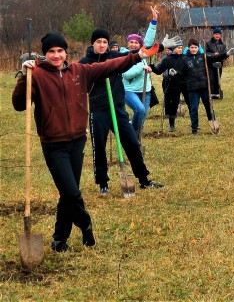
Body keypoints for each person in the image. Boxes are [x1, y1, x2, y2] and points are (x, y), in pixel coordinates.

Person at [12, 32, 159, 252]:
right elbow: (19, 105)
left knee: (67, 192)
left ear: (65, 53)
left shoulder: (79, 71)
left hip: (77, 141)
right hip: (53, 143)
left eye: (60, 51)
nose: (56, 55)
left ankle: (59, 239)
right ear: (45, 54)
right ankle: (85, 223)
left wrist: (138, 55)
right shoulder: (38, 76)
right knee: (71, 192)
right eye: (51, 51)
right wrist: (25, 76)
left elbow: (112, 65)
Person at [80, 29, 166, 194]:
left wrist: (160, 46)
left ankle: (143, 179)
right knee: (99, 146)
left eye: (105, 42)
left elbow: (135, 54)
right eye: (99, 42)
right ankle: (103, 183)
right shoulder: (86, 62)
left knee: (132, 143)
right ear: (93, 43)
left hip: (118, 108)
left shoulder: (115, 57)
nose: (102, 45)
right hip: (99, 111)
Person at [182, 39, 234, 134]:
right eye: (192, 47)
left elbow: (215, 57)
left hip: (204, 87)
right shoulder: (185, 59)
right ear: (189, 48)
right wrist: (174, 73)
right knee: (194, 108)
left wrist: (227, 54)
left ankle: (214, 126)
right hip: (192, 88)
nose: (194, 49)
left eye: (195, 47)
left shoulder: (203, 56)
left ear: (198, 47)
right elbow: (180, 71)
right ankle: (194, 128)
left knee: (209, 107)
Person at [122, 6, 159, 137]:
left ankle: (135, 135)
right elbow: (126, 75)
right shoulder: (123, 55)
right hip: (129, 90)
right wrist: (141, 68)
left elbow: (148, 40)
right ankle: (132, 132)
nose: (133, 44)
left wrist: (154, 21)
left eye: (136, 43)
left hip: (145, 90)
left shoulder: (142, 53)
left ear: (139, 45)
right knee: (139, 109)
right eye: (130, 42)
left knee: (143, 115)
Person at [150, 39, 189, 133]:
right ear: (173, 49)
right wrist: (152, 67)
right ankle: (171, 124)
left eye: (181, 48)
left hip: (185, 84)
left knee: (190, 102)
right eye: (178, 48)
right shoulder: (167, 59)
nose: (180, 49)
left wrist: (177, 73)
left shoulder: (185, 58)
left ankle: (195, 124)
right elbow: (159, 71)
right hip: (172, 84)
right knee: (173, 104)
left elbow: (188, 71)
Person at [205, 27, 227, 98]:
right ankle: (211, 94)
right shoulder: (208, 43)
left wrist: (223, 58)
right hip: (210, 64)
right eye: (216, 34)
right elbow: (206, 53)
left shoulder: (223, 45)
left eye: (218, 34)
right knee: (211, 78)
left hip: (219, 64)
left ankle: (217, 93)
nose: (217, 35)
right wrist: (213, 55)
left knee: (218, 78)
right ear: (213, 34)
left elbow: (225, 54)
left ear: (220, 35)